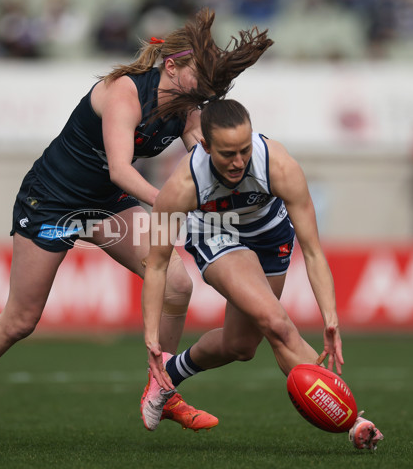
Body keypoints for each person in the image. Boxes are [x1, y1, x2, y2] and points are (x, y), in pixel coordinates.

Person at [0, 9, 274, 450]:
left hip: (104, 209)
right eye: (200, 77)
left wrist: (244, 190)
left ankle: (163, 389)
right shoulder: (124, 94)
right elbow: (119, 170)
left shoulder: (190, 109)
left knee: (175, 285)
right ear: (171, 65)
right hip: (52, 203)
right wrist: (170, 203)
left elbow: (203, 162)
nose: (205, 89)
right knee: (20, 320)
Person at [139, 99, 384, 450]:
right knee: (276, 322)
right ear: (205, 147)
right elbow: (158, 264)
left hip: (270, 235)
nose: (238, 162)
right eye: (227, 154)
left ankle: (169, 375)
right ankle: (354, 421)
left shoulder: (279, 164)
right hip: (214, 233)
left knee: (240, 346)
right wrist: (152, 340)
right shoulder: (181, 186)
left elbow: (313, 251)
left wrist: (330, 319)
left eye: (243, 150)